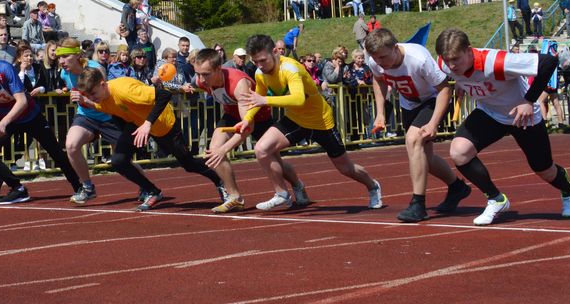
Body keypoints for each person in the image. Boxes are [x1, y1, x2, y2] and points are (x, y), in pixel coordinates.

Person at [435, 28, 570, 225]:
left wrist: (529, 101)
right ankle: (496, 199)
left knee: (543, 169)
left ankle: (568, 190)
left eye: (456, 59)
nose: (451, 65)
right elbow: (454, 73)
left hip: (522, 115)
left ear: (469, 51)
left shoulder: (496, 61)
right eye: (447, 59)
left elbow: (549, 62)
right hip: (490, 113)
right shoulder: (444, 64)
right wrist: (461, 82)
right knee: (459, 152)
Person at [238, 34, 383, 211]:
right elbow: (257, 99)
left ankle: (373, 185)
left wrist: (266, 101)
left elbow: (298, 99)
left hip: (321, 121)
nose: (259, 66)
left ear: (275, 52)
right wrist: (247, 119)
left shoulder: (291, 68)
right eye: (255, 62)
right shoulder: (261, 73)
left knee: (345, 168)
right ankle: (282, 194)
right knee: (262, 149)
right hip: (295, 119)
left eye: (262, 60)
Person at [76, 67, 228, 212]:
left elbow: (164, 95)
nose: (93, 98)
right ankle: (152, 191)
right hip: (137, 124)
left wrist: (148, 124)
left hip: (162, 123)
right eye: (89, 96)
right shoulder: (102, 97)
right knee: (118, 160)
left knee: (188, 164)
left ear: (103, 84)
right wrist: (87, 102)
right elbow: (106, 107)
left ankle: (220, 181)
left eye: (93, 94)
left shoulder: (125, 90)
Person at [364, 28, 472, 222]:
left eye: (383, 57)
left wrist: (433, 123)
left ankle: (418, 204)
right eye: (375, 58)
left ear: (395, 48)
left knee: (413, 141)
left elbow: (444, 90)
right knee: (425, 158)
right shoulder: (375, 61)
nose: (380, 63)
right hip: (409, 103)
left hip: (433, 99)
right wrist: (380, 113)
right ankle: (457, 187)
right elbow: (378, 80)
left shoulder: (418, 59)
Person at [0, 46, 83, 204]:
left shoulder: (5, 69)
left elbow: (22, 101)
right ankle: (17, 188)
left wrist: (3, 123)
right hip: (4, 117)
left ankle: (79, 186)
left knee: (56, 152)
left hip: (30, 116)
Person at [193, 48, 308, 213]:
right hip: (232, 114)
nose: (201, 79)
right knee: (214, 151)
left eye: (205, 74)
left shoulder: (239, 84)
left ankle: (298, 185)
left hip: (257, 118)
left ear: (218, 69)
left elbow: (248, 127)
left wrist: (225, 149)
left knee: (274, 160)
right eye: (198, 74)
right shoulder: (200, 81)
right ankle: (234, 197)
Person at [54, 38, 128, 204]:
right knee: (71, 146)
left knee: (121, 161)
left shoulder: (95, 69)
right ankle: (87, 188)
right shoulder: (64, 73)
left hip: (107, 115)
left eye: (65, 56)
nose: (61, 61)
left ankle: (145, 186)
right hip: (86, 116)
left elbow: (105, 99)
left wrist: (85, 100)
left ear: (77, 55)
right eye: (59, 57)